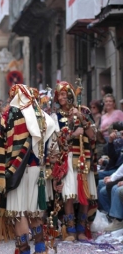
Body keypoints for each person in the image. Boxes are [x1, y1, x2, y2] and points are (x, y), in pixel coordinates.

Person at [0, 84, 56, 253]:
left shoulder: (10, 113)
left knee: (18, 212)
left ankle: (24, 249)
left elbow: (1, 143)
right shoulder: (42, 116)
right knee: (34, 211)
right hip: (37, 170)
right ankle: (41, 248)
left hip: (16, 170)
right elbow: (52, 146)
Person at [52, 81, 97, 241]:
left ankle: (81, 230)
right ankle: (70, 230)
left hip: (84, 157)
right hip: (67, 158)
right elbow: (56, 141)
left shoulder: (83, 110)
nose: (61, 97)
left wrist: (82, 119)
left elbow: (93, 136)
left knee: (85, 194)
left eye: (64, 94)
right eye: (59, 95)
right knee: (69, 195)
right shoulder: (55, 116)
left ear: (71, 95)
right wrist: (72, 135)